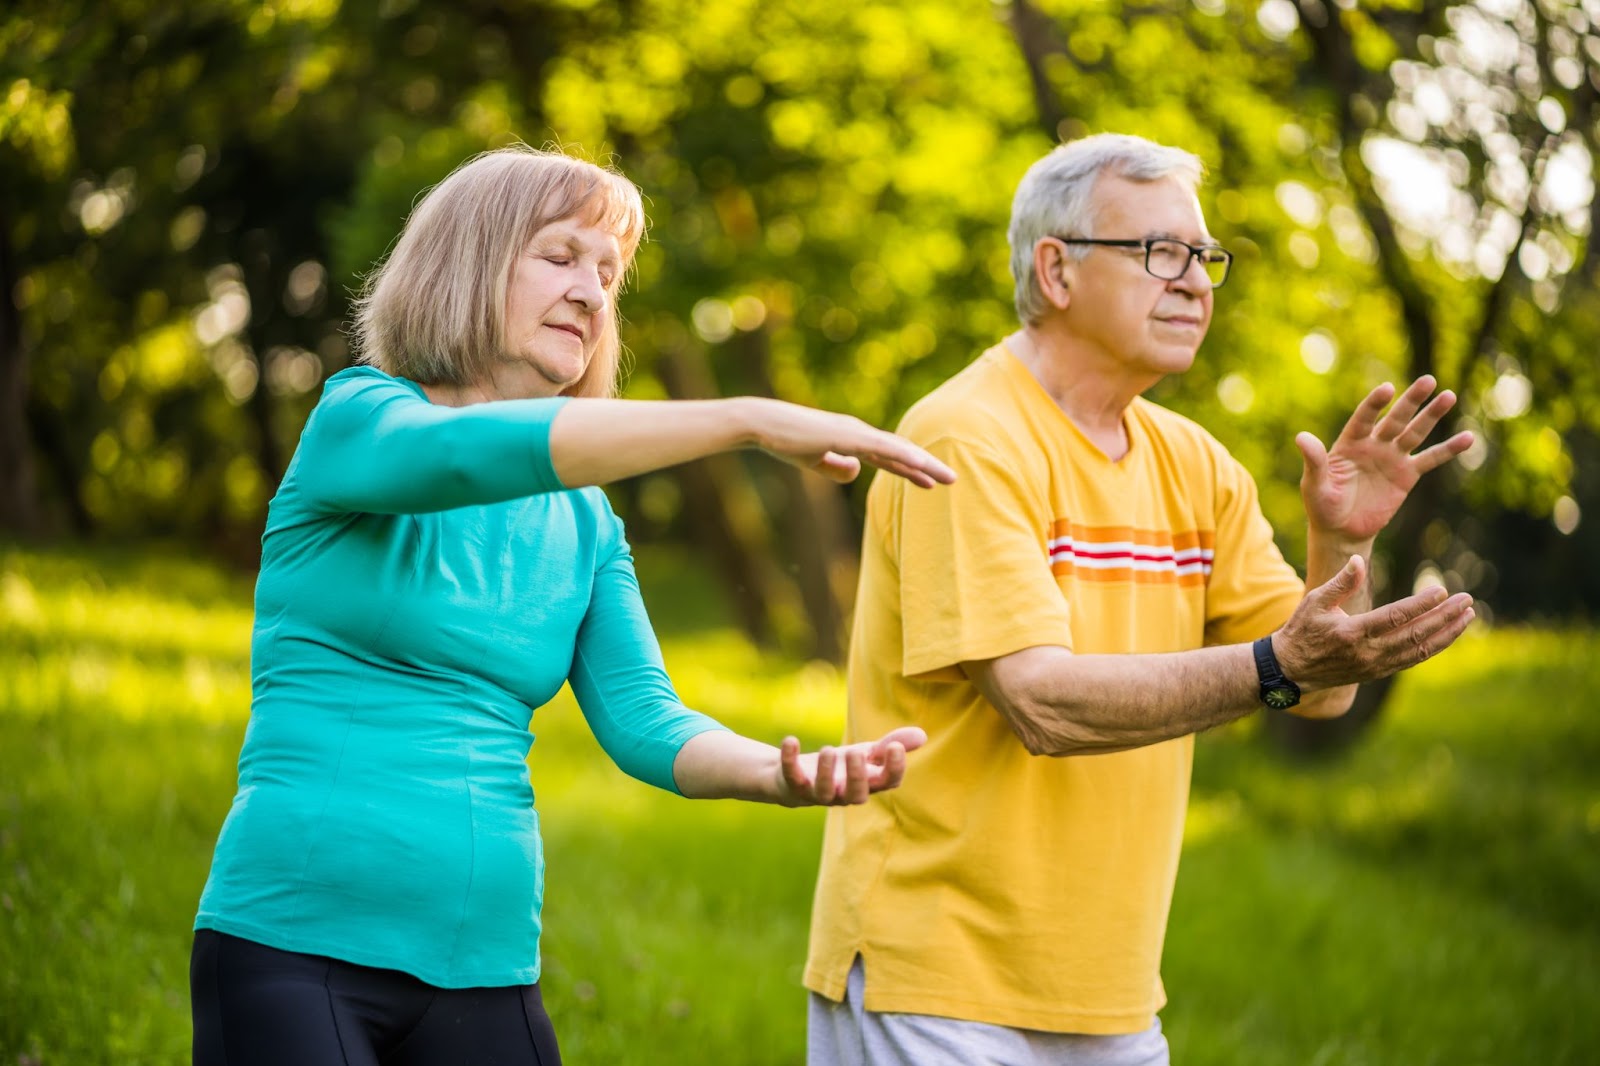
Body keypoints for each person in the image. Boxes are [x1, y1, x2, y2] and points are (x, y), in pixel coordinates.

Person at [188, 144, 954, 1066]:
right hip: (293, 946)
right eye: (560, 257)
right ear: (466, 267)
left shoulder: (584, 521)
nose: (593, 294)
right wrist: (745, 419)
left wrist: (781, 774)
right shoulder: (358, 420)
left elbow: (646, 720)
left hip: (486, 966)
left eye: (609, 272)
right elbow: (466, 457)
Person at [803, 133, 1477, 1065]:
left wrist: (1343, 544)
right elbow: (1040, 701)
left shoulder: (1196, 464)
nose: (1196, 281)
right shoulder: (967, 436)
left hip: (1111, 995)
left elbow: (1320, 691)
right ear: (1058, 270)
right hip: (934, 974)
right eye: (1161, 252)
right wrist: (1277, 667)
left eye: (1206, 259)